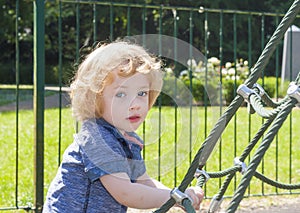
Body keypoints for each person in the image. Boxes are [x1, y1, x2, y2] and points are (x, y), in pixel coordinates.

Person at [43, 41, 204, 212]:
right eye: (121, 94)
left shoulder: (128, 139)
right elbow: (126, 193)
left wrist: (178, 194)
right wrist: (174, 197)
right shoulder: (97, 139)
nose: (135, 104)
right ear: (95, 98)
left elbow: (144, 182)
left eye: (141, 93)